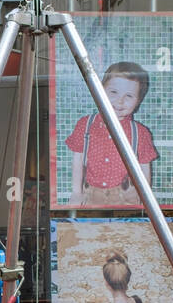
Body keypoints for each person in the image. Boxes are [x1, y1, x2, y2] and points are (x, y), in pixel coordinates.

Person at [66, 62, 158, 206]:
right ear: (101, 91)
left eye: (129, 96)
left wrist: (142, 194)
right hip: (90, 196)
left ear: (138, 101)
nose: (120, 101)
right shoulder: (85, 125)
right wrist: (76, 192)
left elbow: (144, 167)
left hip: (126, 197)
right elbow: (77, 161)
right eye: (113, 92)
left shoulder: (141, 133)